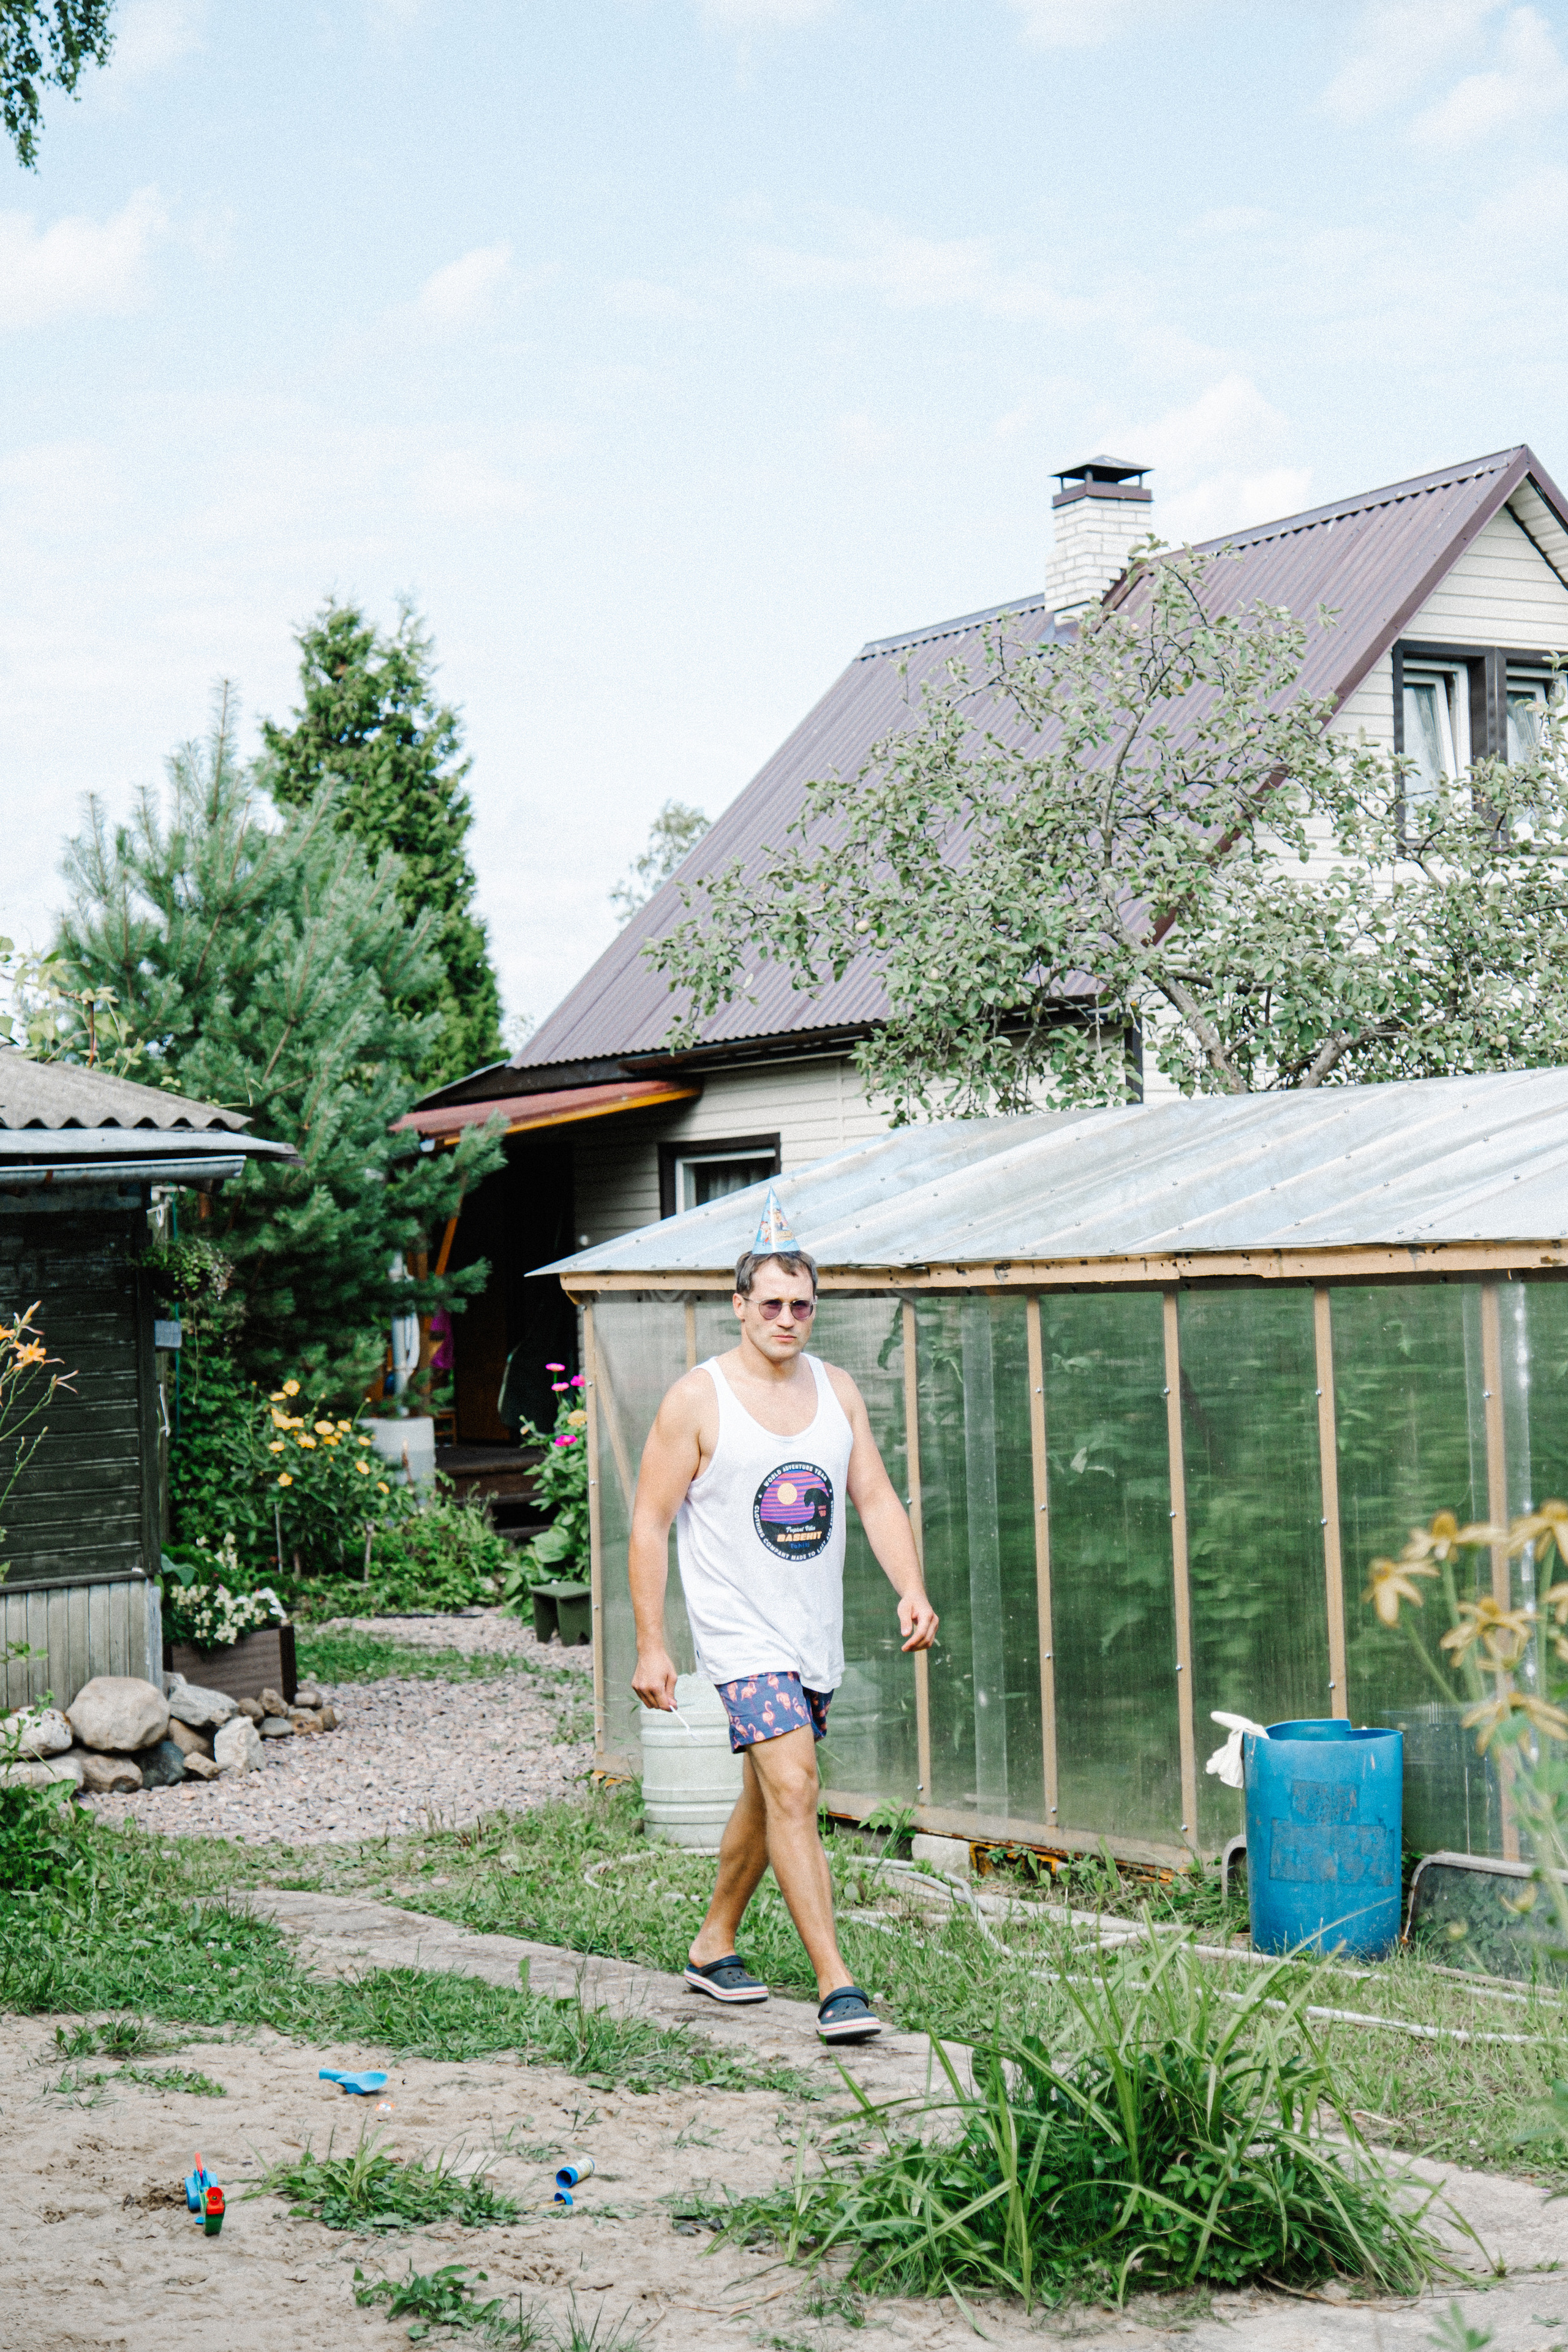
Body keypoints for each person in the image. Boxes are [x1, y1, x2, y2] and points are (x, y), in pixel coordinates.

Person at [628, 1190, 938, 2045]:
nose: (787, 1318)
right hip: (739, 1636)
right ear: (740, 1305)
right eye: (771, 1303)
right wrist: (653, 1644)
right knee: (797, 1784)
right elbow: (651, 1522)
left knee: (769, 1798)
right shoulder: (698, 1399)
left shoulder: (837, 1391)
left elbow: (872, 1494)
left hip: (812, 1634)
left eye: (802, 1305)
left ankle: (712, 1942)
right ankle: (838, 1985)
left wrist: (910, 1586)